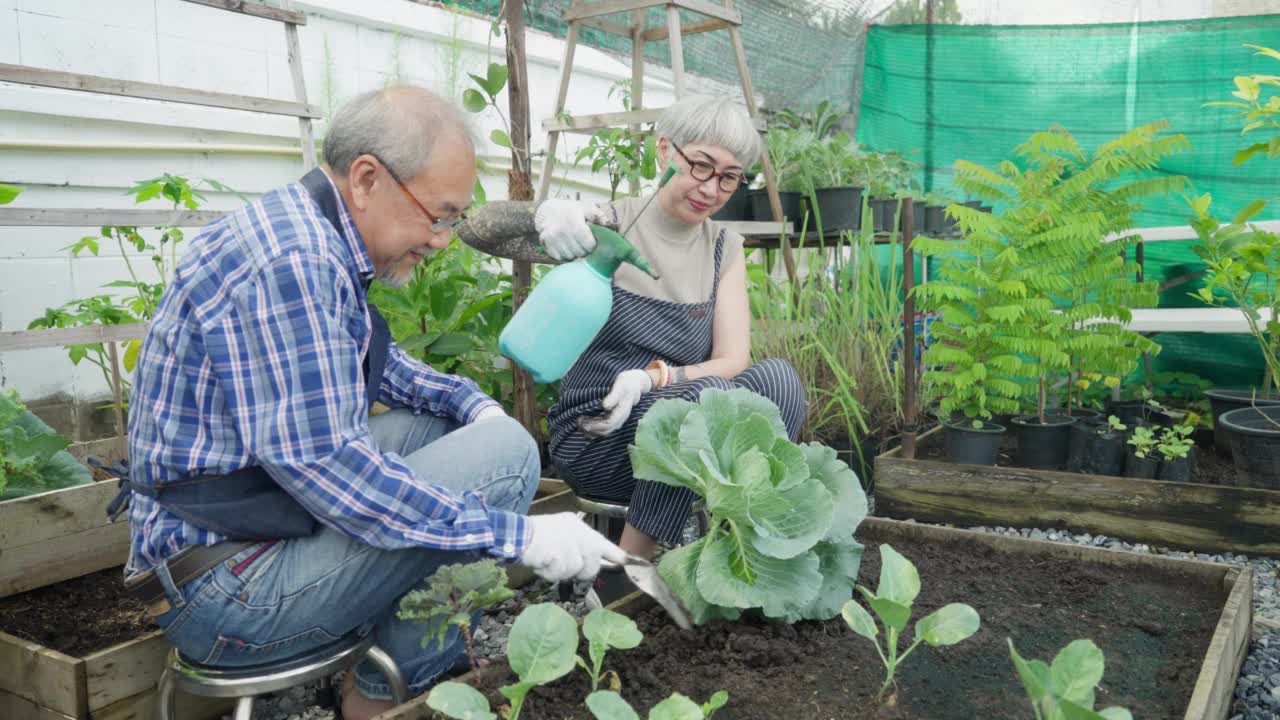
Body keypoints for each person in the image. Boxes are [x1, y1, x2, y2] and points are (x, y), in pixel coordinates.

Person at [119, 86, 625, 720]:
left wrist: (474, 403)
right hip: (230, 593)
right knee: (509, 461)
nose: (443, 240)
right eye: (439, 216)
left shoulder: (306, 229)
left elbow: (375, 366)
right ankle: (382, 698)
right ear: (366, 179)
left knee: (463, 431)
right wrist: (515, 533)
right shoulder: (293, 261)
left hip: (246, 527)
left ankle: (385, 668)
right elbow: (331, 469)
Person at [545, 94, 807, 566]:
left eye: (729, 177)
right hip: (598, 432)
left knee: (777, 380)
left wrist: (656, 378)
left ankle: (741, 553)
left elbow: (733, 360)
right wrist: (543, 213)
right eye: (701, 165)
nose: (711, 188)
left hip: (685, 429)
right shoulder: (608, 224)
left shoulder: (723, 246)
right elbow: (482, 230)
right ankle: (626, 570)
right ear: (665, 151)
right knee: (701, 402)